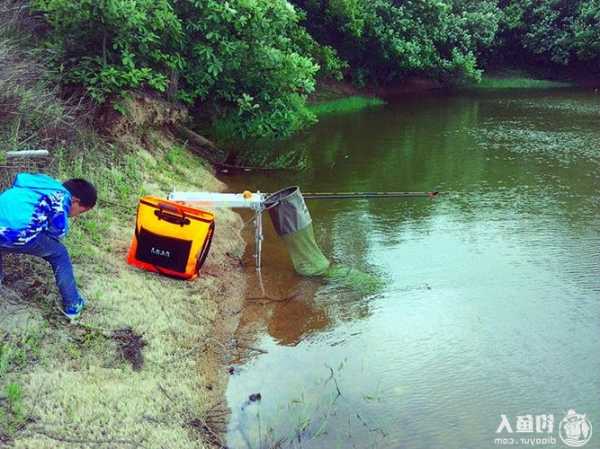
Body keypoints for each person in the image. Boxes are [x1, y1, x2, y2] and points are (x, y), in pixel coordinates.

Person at [0, 173, 97, 320]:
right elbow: (58, 231)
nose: (76, 215)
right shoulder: (62, 196)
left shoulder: (37, 184)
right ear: (75, 201)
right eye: (80, 211)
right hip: (15, 234)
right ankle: (73, 304)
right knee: (59, 253)